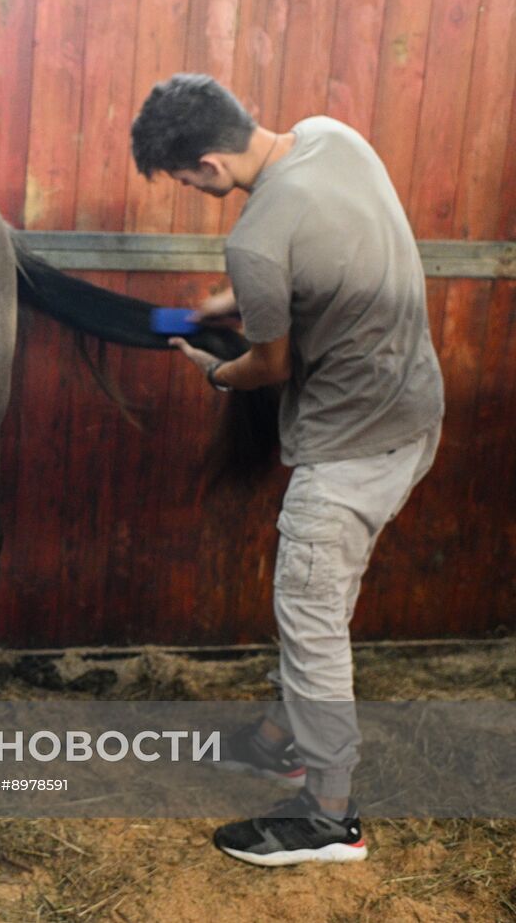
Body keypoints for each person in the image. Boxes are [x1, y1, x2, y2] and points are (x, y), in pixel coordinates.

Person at [129, 74, 445, 866]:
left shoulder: (257, 233)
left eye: (182, 179)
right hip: (412, 417)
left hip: (349, 447)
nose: (188, 190)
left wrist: (213, 369)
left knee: (308, 612)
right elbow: (316, 266)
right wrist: (229, 303)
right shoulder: (333, 137)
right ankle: (279, 738)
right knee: (323, 596)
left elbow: (267, 367)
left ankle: (330, 812)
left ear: (206, 163)